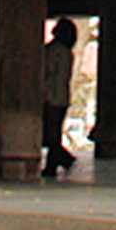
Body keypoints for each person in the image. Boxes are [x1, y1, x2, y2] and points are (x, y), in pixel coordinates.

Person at [41, 17, 78, 178]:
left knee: (51, 135)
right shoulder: (67, 53)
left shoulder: (53, 51)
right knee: (54, 134)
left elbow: (48, 74)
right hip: (61, 97)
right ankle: (53, 165)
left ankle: (63, 159)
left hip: (51, 98)